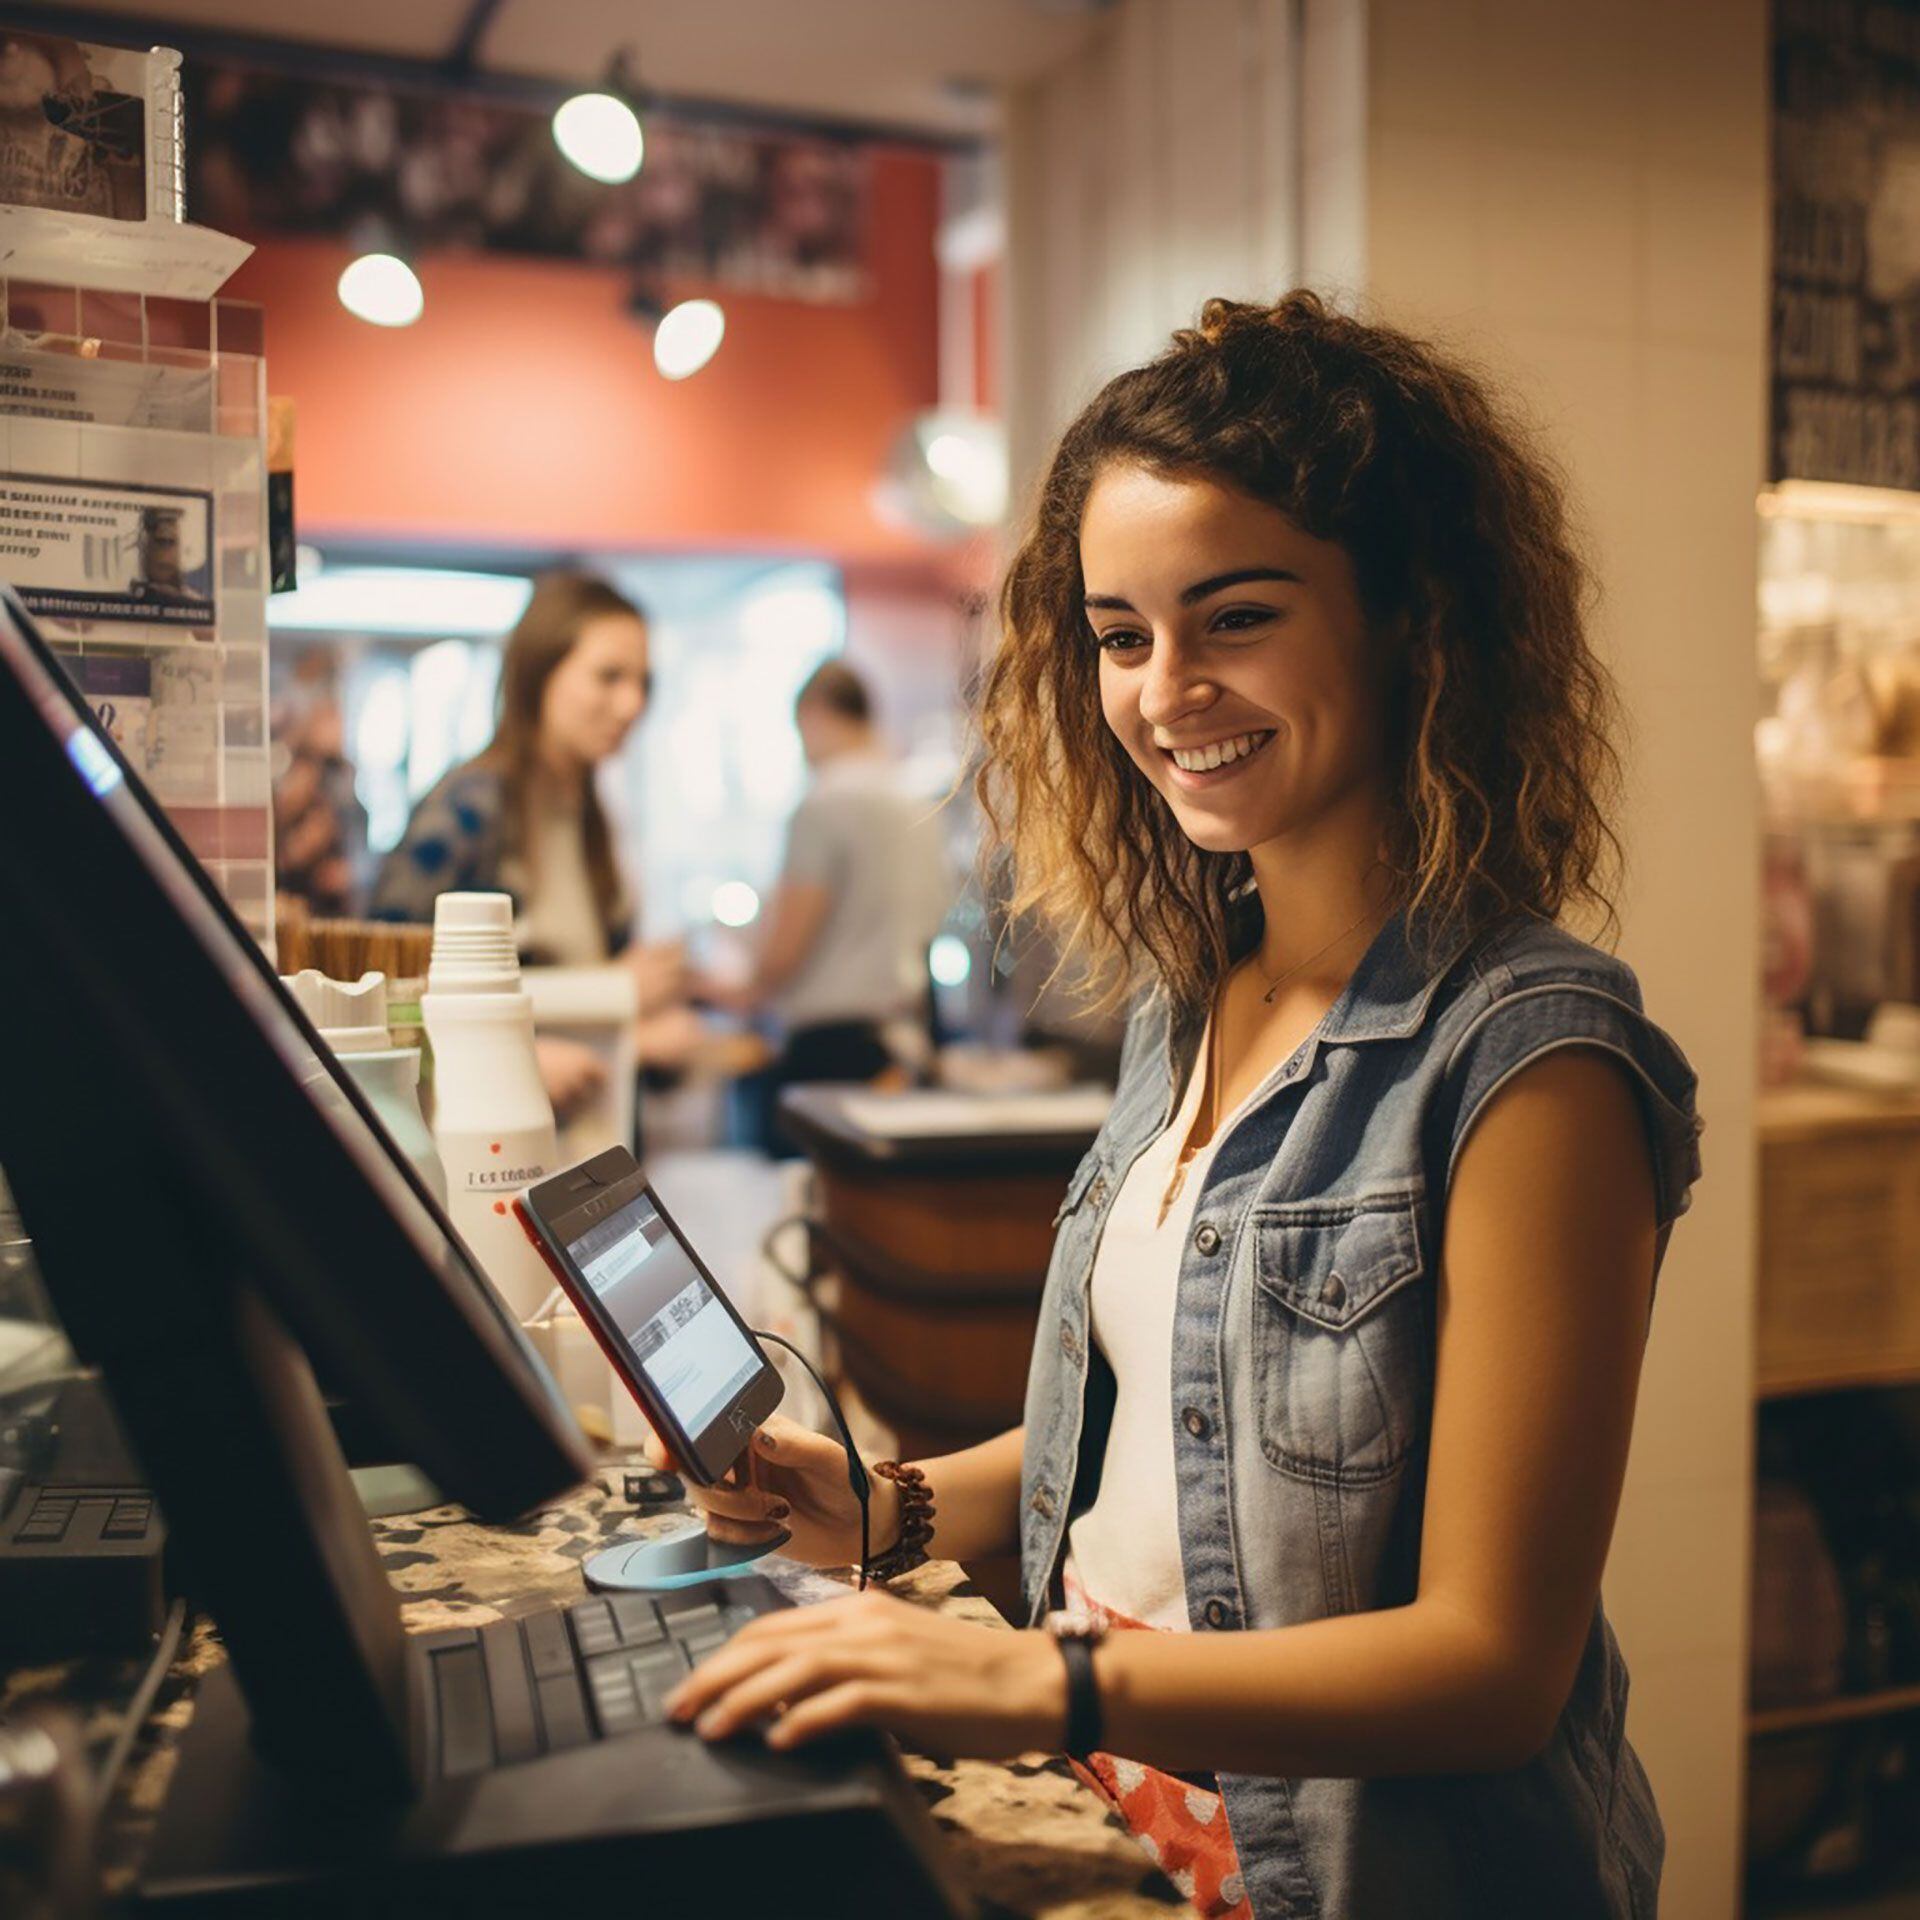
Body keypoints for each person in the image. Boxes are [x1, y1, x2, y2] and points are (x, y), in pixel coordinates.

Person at [652, 293, 1703, 1920]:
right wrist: (886, 1507)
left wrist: (1042, 1686)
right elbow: (1145, 1460)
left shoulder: (1536, 1060)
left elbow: (1495, 1666)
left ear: (1413, 620)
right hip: (1133, 1828)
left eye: (1236, 618)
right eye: (1121, 634)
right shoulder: (1190, 995)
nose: (1163, 691)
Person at [371, 571, 696, 1115]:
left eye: (644, 682)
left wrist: (641, 1021)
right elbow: (383, 987)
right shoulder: (471, 805)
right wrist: (514, 1059)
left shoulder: (590, 815)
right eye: (609, 676)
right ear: (539, 673)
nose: (632, 704)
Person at [708, 659, 951, 1149]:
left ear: (816, 715)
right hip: (907, 1037)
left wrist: (733, 988)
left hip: (829, 1050)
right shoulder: (921, 808)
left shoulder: (824, 806)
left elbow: (784, 950)